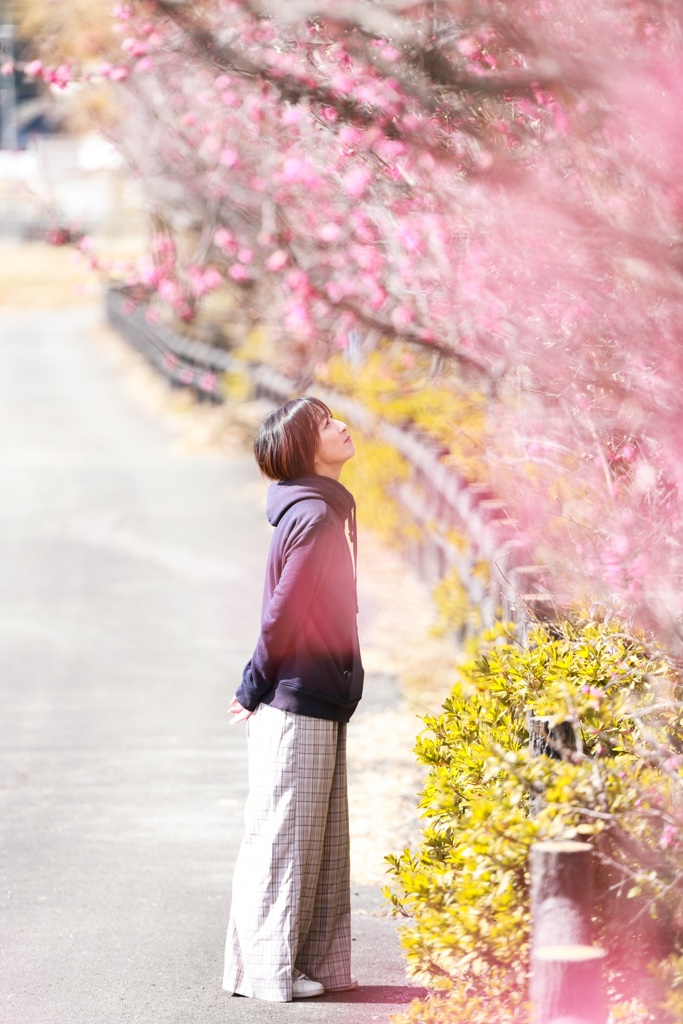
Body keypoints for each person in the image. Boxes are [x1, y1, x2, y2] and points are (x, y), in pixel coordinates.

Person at [222, 395, 364, 1002]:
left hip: (317, 697)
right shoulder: (313, 517)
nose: (341, 425)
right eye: (326, 422)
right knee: (284, 843)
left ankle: (298, 967)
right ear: (307, 447)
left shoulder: (319, 510)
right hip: (295, 700)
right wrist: (252, 684)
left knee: (315, 843)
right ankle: (268, 972)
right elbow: (286, 611)